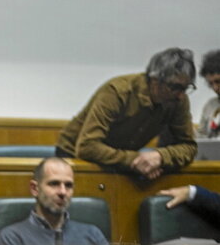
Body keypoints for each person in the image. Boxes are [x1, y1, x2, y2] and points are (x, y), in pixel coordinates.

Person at [55, 48, 197, 180]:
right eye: (175, 87)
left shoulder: (178, 101)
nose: (181, 96)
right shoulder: (117, 92)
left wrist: (160, 157)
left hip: (119, 160)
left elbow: (189, 147)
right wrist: (137, 160)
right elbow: (88, 147)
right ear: (155, 81)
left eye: (186, 88)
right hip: (73, 156)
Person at [0, 157, 109, 245]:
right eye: (54, 184)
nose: (63, 192)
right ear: (35, 188)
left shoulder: (93, 235)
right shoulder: (12, 238)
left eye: (68, 185)